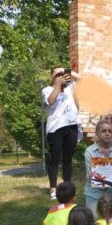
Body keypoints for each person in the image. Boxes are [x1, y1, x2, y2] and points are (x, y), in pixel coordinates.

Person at [42, 66, 82, 199]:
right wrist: (57, 85)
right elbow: (51, 101)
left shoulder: (70, 88)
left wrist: (65, 70)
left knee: (67, 160)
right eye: (56, 74)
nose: (60, 75)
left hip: (71, 125)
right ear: (51, 77)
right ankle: (53, 189)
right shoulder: (47, 90)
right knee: (55, 159)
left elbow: (82, 79)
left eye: (62, 74)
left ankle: (67, 188)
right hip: (55, 128)